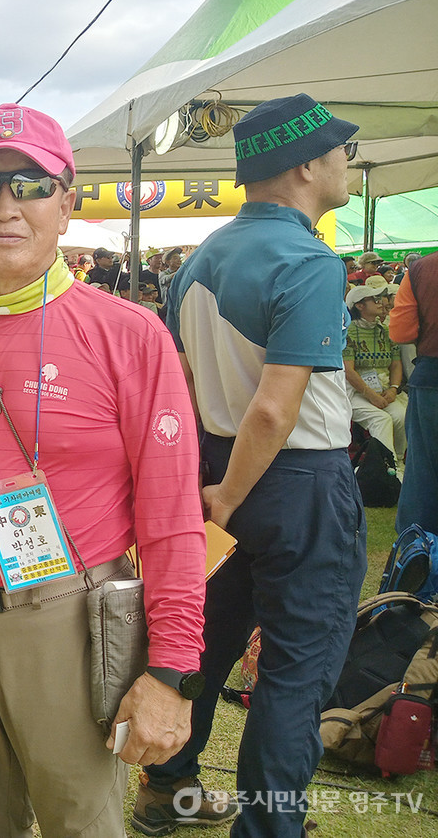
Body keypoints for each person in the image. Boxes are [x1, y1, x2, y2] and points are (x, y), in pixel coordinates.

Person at [0, 103, 207, 838]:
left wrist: (169, 673)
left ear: (66, 204)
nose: (6, 205)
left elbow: (171, 520)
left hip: (67, 623)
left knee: (81, 824)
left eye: (31, 183)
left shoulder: (128, 336)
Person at [141, 93, 368, 837]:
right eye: (343, 152)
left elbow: (184, 378)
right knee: (297, 673)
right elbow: (275, 409)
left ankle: (167, 785)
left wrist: (213, 492)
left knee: (205, 641)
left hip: (214, 469)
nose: (348, 165)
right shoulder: (308, 260)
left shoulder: (204, 254)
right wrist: (232, 494)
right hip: (292, 482)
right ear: (307, 164)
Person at [391, 251, 437, 533]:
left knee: (423, 474)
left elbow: (401, 332)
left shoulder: (422, 269)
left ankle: (417, 557)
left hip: (432, 380)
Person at [344, 284, 407, 461]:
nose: (381, 303)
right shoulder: (348, 333)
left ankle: (400, 460)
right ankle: (386, 466)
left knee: (401, 416)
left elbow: (396, 364)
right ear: (359, 305)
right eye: (375, 299)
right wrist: (370, 394)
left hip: (384, 389)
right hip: (354, 392)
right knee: (382, 419)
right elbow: (348, 371)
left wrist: (394, 388)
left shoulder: (385, 331)